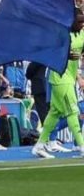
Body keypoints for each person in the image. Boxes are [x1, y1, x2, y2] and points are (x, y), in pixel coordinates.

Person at [33, 10, 84, 159]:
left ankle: (40, 145)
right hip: (60, 77)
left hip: (68, 78)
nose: (82, 25)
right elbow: (48, 51)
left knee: (54, 113)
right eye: (79, 22)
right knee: (73, 112)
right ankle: (81, 146)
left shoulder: (80, 34)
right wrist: (65, 54)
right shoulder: (60, 34)